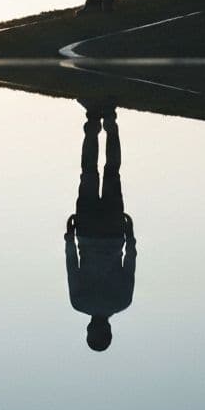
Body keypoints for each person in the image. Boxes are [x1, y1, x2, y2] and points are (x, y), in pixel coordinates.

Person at [64, 99, 136, 351]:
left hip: (113, 233)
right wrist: (69, 238)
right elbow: (72, 265)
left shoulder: (122, 301)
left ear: (108, 331)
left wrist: (130, 237)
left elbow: (130, 262)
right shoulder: (79, 302)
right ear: (91, 331)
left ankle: (111, 123)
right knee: (88, 172)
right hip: (87, 232)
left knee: (112, 172)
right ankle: (93, 122)